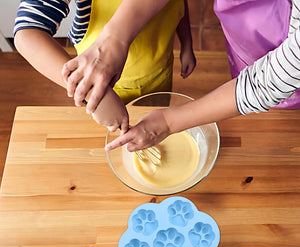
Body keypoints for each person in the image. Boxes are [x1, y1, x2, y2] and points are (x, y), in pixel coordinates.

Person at [105, 0, 300, 152]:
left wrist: (166, 122)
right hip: (247, 45)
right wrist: (115, 38)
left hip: (285, 80)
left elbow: (270, 83)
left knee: (278, 120)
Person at [14, 0, 196, 133]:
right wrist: (92, 92)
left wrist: (186, 44)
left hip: (159, 75)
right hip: (109, 91)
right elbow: (28, 32)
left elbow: (179, 6)